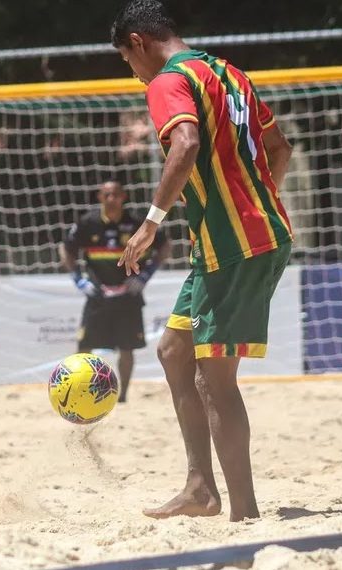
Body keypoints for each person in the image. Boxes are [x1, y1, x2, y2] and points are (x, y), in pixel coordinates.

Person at [111, 0, 294, 522]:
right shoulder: (230, 74)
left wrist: (150, 222)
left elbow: (185, 143)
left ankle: (245, 514)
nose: (133, 72)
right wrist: (254, 208)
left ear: (139, 43)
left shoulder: (167, 81)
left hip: (235, 245)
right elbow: (280, 149)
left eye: (128, 61)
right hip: (234, 240)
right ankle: (199, 489)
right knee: (174, 352)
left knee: (215, 381)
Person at [60, 180, 170, 403]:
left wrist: (144, 277)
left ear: (124, 197)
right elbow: (65, 249)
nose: (112, 199)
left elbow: (165, 246)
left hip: (128, 296)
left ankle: (123, 396)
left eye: (116, 195)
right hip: (98, 294)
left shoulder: (137, 223)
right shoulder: (88, 222)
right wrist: (79, 280)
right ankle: (78, 392)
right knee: (85, 347)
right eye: (107, 195)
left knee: (127, 347)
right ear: (100, 197)